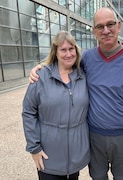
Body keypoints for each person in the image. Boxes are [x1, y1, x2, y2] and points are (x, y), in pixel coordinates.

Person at [29, 7, 123, 180]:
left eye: (110, 24)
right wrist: (42, 67)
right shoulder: (87, 59)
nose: (106, 30)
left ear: (119, 26)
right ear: (94, 31)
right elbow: (63, 63)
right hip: (94, 136)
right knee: (97, 177)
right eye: (100, 26)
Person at [22, 30, 90, 180]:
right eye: (63, 50)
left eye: (71, 49)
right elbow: (28, 112)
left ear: (76, 50)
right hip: (48, 156)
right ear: (56, 52)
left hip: (75, 157)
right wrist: (34, 148)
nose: (68, 54)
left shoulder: (83, 75)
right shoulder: (41, 77)